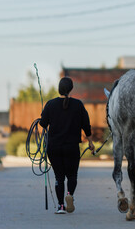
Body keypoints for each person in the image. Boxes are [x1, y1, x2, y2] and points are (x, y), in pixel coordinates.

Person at [39, 76, 95, 214]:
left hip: (54, 147)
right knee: (72, 176)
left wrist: (44, 115)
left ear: (59, 89)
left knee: (59, 177)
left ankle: (61, 206)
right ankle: (69, 194)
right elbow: (86, 126)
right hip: (72, 147)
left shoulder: (50, 104)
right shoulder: (78, 105)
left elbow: (43, 124)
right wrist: (90, 142)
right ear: (71, 89)